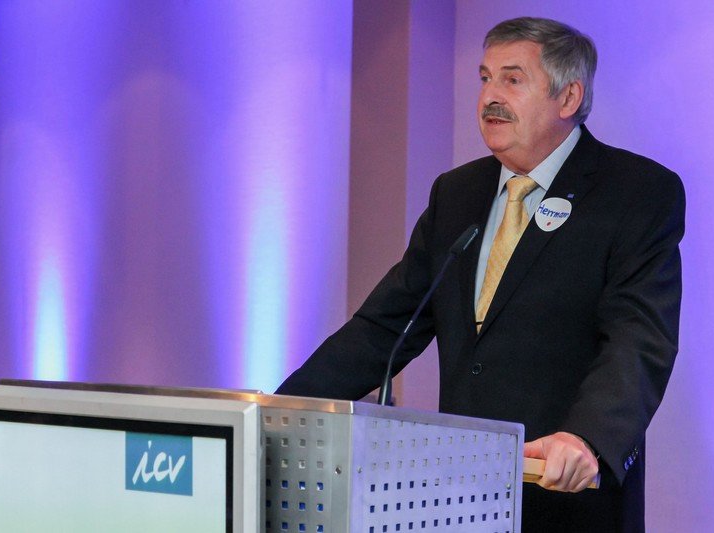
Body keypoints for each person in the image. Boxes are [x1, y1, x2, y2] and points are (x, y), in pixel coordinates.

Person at [277, 16, 684, 533]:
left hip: (565, 494)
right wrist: (280, 411)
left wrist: (587, 438)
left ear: (568, 97)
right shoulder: (457, 194)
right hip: (458, 498)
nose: (490, 96)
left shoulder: (636, 192)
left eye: (513, 79)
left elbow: (639, 339)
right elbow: (382, 328)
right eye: (485, 78)